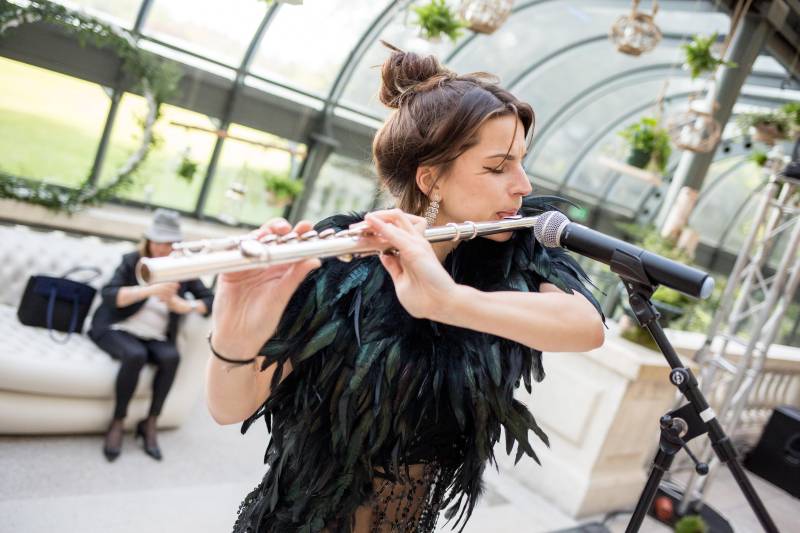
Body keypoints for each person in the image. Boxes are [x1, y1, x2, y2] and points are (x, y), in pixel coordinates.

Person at [207, 43, 606, 532]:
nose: (522, 185)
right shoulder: (339, 264)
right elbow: (229, 409)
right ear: (430, 179)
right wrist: (233, 334)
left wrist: (450, 301)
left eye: (522, 162)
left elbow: (585, 326)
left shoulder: (513, 253)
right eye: (498, 166)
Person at [89, 208, 214, 462]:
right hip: (118, 327)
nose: (161, 247)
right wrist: (148, 290)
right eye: (157, 241)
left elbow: (210, 300)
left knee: (171, 358)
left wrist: (183, 305)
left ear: (177, 244)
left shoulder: (184, 269)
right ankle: (118, 421)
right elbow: (110, 295)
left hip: (155, 334)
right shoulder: (132, 260)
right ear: (148, 240)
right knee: (134, 355)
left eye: (168, 242)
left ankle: (150, 422)